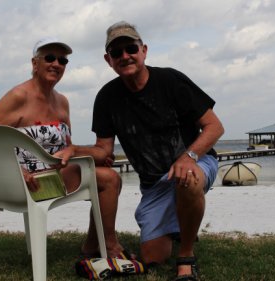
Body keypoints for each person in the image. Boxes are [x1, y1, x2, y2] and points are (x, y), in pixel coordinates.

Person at [91, 21, 225, 280]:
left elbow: (214, 127)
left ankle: (186, 258)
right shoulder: (106, 97)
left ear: (144, 50)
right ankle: (178, 225)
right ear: (109, 60)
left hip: (195, 162)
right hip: (154, 184)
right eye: (117, 53)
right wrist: (72, 150)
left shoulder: (171, 80)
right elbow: (103, 149)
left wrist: (189, 156)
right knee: (152, 257)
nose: (125, 56)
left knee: (188, 179)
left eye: (131, 48)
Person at [0, 37, 128, 259]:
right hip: (25, 184)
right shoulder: (18, 96)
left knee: (108, 175)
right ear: (35, 63)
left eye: (62, 60)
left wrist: (93, 158)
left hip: (54, 175)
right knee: (110, 180)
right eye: (50, 58)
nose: (56, 64)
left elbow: (67, 147)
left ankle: (95, 243)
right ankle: (107, 245)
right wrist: (17, 172)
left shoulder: (62, 101)